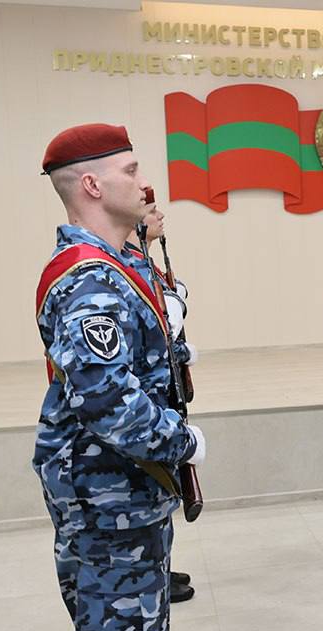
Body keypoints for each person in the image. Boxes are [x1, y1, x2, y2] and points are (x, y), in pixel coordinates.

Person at [35, 123, 203, 631]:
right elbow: (109, 404)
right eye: (131, 170)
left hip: (126, 502)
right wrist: (185, 441)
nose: (145, 181)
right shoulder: (89, 280)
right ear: (92, 185)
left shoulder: (117, 266)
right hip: (106, 509)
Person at [123, 195, 197, 603]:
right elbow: (153, 342)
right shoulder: (129, 267)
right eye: (152, 211)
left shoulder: (146, 263)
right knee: (152, 486)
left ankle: (160, 566)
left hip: (161, 393)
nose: (160, 215)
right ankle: (155, 571)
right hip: (146, 403)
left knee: (162, 491)